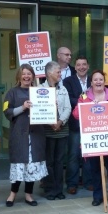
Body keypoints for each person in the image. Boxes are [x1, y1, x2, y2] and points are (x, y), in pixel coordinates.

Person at [72, 70, 108, 206]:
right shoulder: (84, 97)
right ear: (91, 82)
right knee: (95, 169)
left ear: (104, 82)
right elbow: (76, 114)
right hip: (93, 140)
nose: (98, 82)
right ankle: (98, 196)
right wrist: (89, 106)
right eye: (95, 80)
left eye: (100, 79)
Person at [3, 64, 48, 207]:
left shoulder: (41, 91)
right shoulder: (12, 92)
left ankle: (29, 195)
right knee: (19, 165)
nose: (26, 76)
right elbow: (6, 111)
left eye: (29, 74)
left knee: (32, 166)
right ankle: (12, 194)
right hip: (19, 136)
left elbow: (47, 112)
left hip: (36, 136)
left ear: (33, 76)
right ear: (19, 76)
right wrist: (23, 107)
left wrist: (51, 106)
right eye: (24, 74)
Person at [40, 61, 71, 200]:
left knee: (59, 161)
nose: (60, 74)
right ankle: (49, 189)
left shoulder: (63, 89)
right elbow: (39, 110)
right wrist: (51, 122)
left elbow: (68, 108)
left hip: (62, 130)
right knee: (49, 162)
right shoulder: (39, 89)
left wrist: (60, 122)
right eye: (58, 72)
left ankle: (59, 190)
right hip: (47, 131)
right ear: (49, 73)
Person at [63, 55, 93, 195]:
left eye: (84, 64)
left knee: (88, 154)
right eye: (79, 65)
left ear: (88, 66)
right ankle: (72, 183)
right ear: (75, 67)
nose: (81, 67)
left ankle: (89, 182)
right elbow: (68, 99)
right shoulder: (68, 81)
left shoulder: (93, 80)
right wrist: (85, 100)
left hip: (91, 124)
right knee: (73, 155)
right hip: (75, 124)